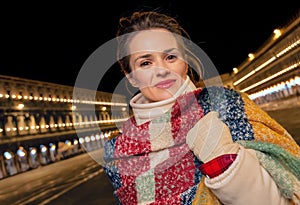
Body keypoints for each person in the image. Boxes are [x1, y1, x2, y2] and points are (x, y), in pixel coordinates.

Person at [103, 10, 300, 205]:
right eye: (146, 63)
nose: (162, 70)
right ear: (131, 77)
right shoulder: (122, 152)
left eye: (170, 57)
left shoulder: (231, 107)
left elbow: (285, 195)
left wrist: (224, 161)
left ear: (185, 63)